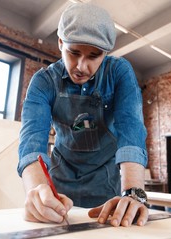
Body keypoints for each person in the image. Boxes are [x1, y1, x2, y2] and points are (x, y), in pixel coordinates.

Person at [18, 2, 148, 227]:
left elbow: (132, 129)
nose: (81, 66)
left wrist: (133, 193)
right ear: (60, 43)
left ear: (105, 53)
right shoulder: (43, 82)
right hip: (61, 182)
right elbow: (31, 143)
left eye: (93, 56)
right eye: (73, 52)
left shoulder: (119, 73)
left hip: (106, 182)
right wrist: (38, 191)